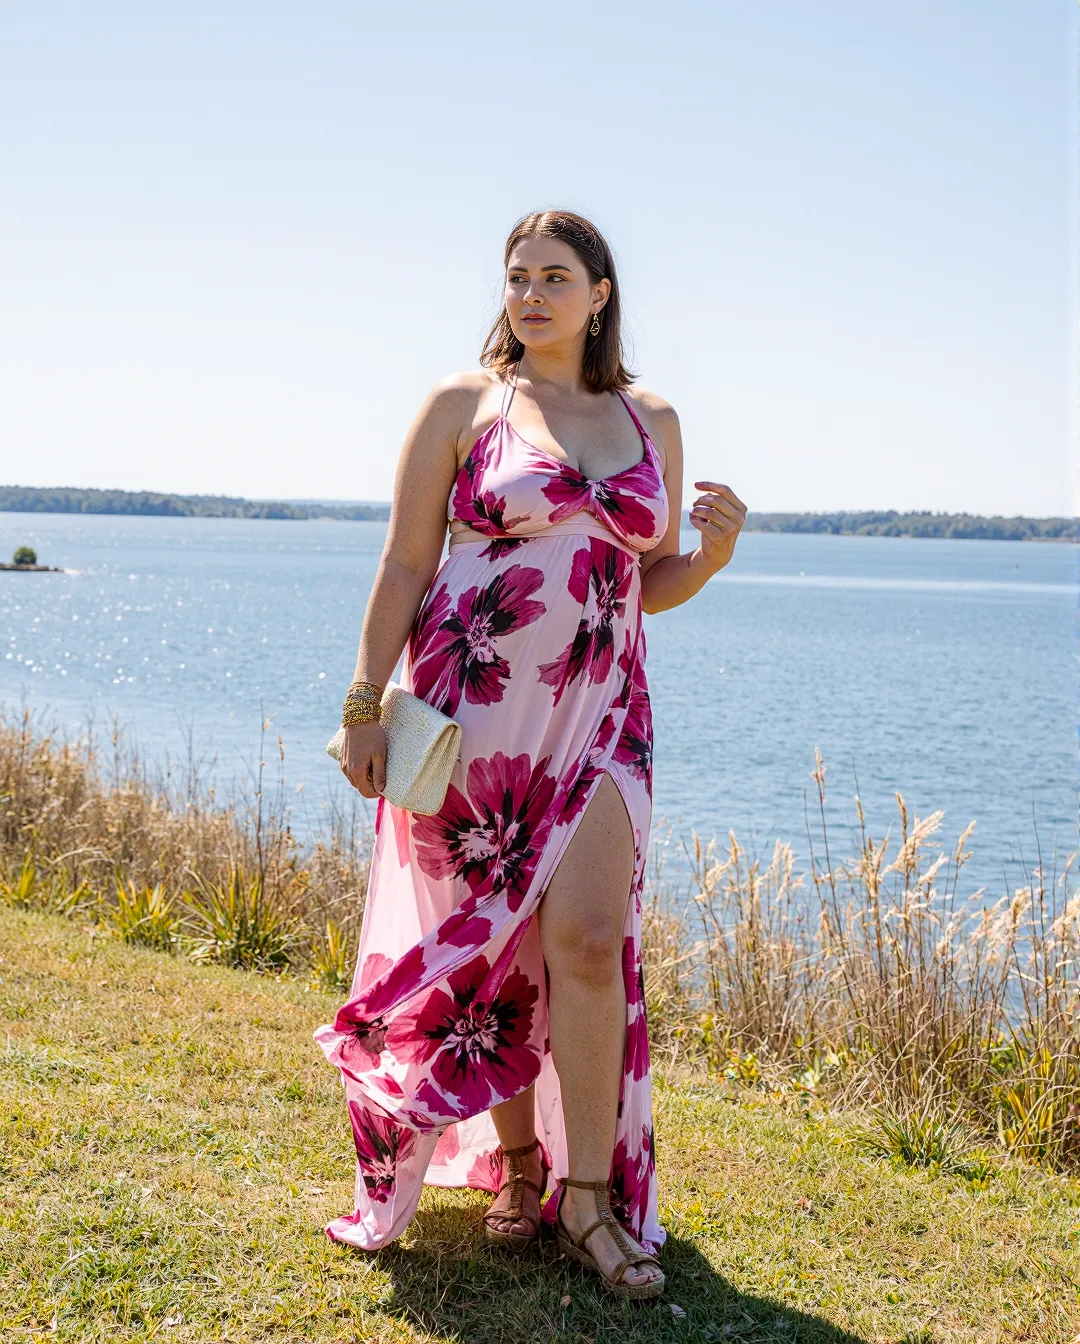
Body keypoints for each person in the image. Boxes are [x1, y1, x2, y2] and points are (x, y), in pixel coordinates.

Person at [315, 209, 745, 1299]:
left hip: (606, 712)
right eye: (518, 277)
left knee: (589, 941)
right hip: (477, 710)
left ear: (601, 293)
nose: (533, 295)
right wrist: (368, 702)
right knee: (496, 956)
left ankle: (591, 1202)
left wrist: (715, 554)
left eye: (557, 276)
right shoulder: (466, 404)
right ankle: (515, 1167)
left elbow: (644, 584)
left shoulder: (651, 417)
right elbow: (407, 561)